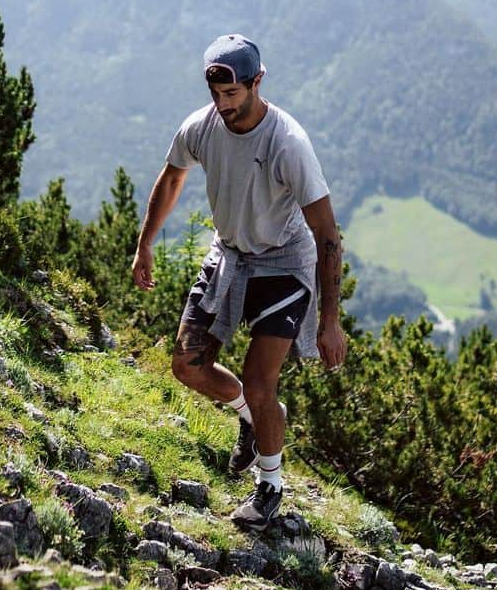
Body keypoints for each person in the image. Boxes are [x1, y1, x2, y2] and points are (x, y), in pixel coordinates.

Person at [130, 33, 347, 532]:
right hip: (229, 254)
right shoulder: (201, 127)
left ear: (256, 82)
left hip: (284, 262)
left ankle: (269, 486)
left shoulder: (286, 143)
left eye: (232, 95)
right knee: (187, 364)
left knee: (259, 379)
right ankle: (256, 416)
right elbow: (171, 180)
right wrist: (145, 244)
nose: (223, 105)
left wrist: (329, 322)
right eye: (216, 95)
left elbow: (328, 235)